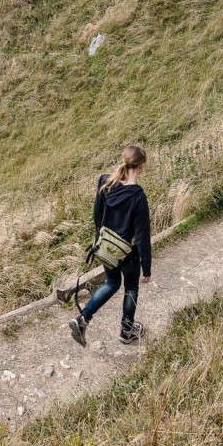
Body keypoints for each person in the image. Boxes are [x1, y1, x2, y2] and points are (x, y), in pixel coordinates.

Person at [68, 145, 153, 348]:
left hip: (106, 246)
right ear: (142, 165)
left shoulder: (104, 182)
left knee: (111, 283)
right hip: (128, 254)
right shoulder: (138, 197)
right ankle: (126, 330)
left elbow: (96, 217)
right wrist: (147, 268)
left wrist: (101, 239)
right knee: (130, 288)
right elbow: (142, 236)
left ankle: (83, 319)